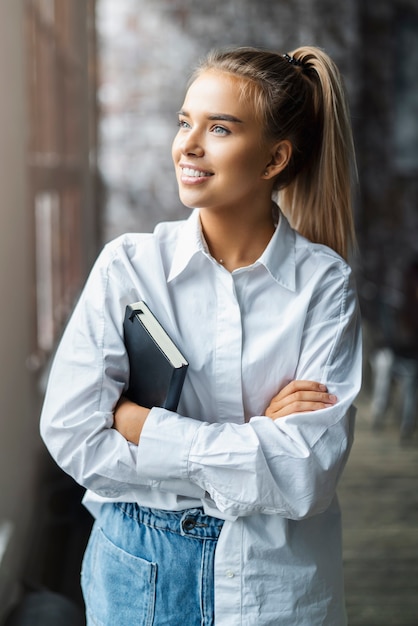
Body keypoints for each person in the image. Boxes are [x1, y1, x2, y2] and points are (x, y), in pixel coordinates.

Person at [40, 45, 362, 625]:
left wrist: (146, 428)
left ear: (273, 159)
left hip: (275, 583)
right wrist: (256, 438)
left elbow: (305, 475)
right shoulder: (128, 268)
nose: (188, 145)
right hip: (136, 572)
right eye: (185, 122)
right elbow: (73, 435)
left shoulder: (324, 285)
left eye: (219, 128)